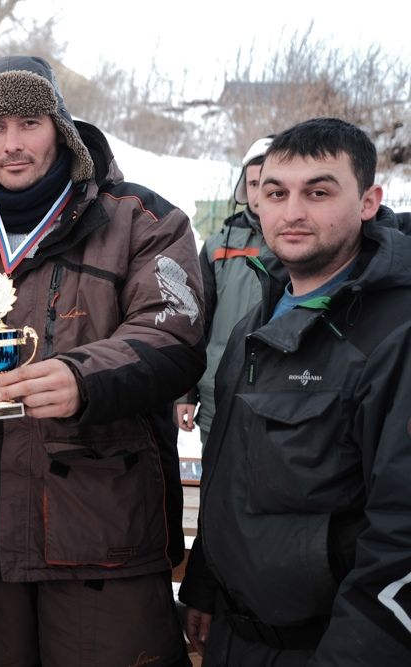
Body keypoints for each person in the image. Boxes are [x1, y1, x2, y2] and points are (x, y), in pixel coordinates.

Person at [0, 55, 206, 667]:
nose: (13, 145)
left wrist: (83, 377)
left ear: (62, 130)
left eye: (30, 123)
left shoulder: (143, 221)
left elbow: (173, 334)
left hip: (104, 542)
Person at [178, 117, 411, 665]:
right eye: (276, 192)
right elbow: (234, 474)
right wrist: (207, 588)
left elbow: (401, 533)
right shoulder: (256, 321)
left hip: (328, 644)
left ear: (369, 201)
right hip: (237, 635)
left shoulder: (395, 334)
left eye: (319, 191)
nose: (292, 212)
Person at [175, 136, 280, 445]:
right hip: (219, 394)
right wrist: (185, 393)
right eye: (252, 183)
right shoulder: (218, 246)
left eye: (270, 182)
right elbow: (194, 322)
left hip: (283, 395)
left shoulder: (304, 243)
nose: (260, 192)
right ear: (243, 189)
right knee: (218, 490)